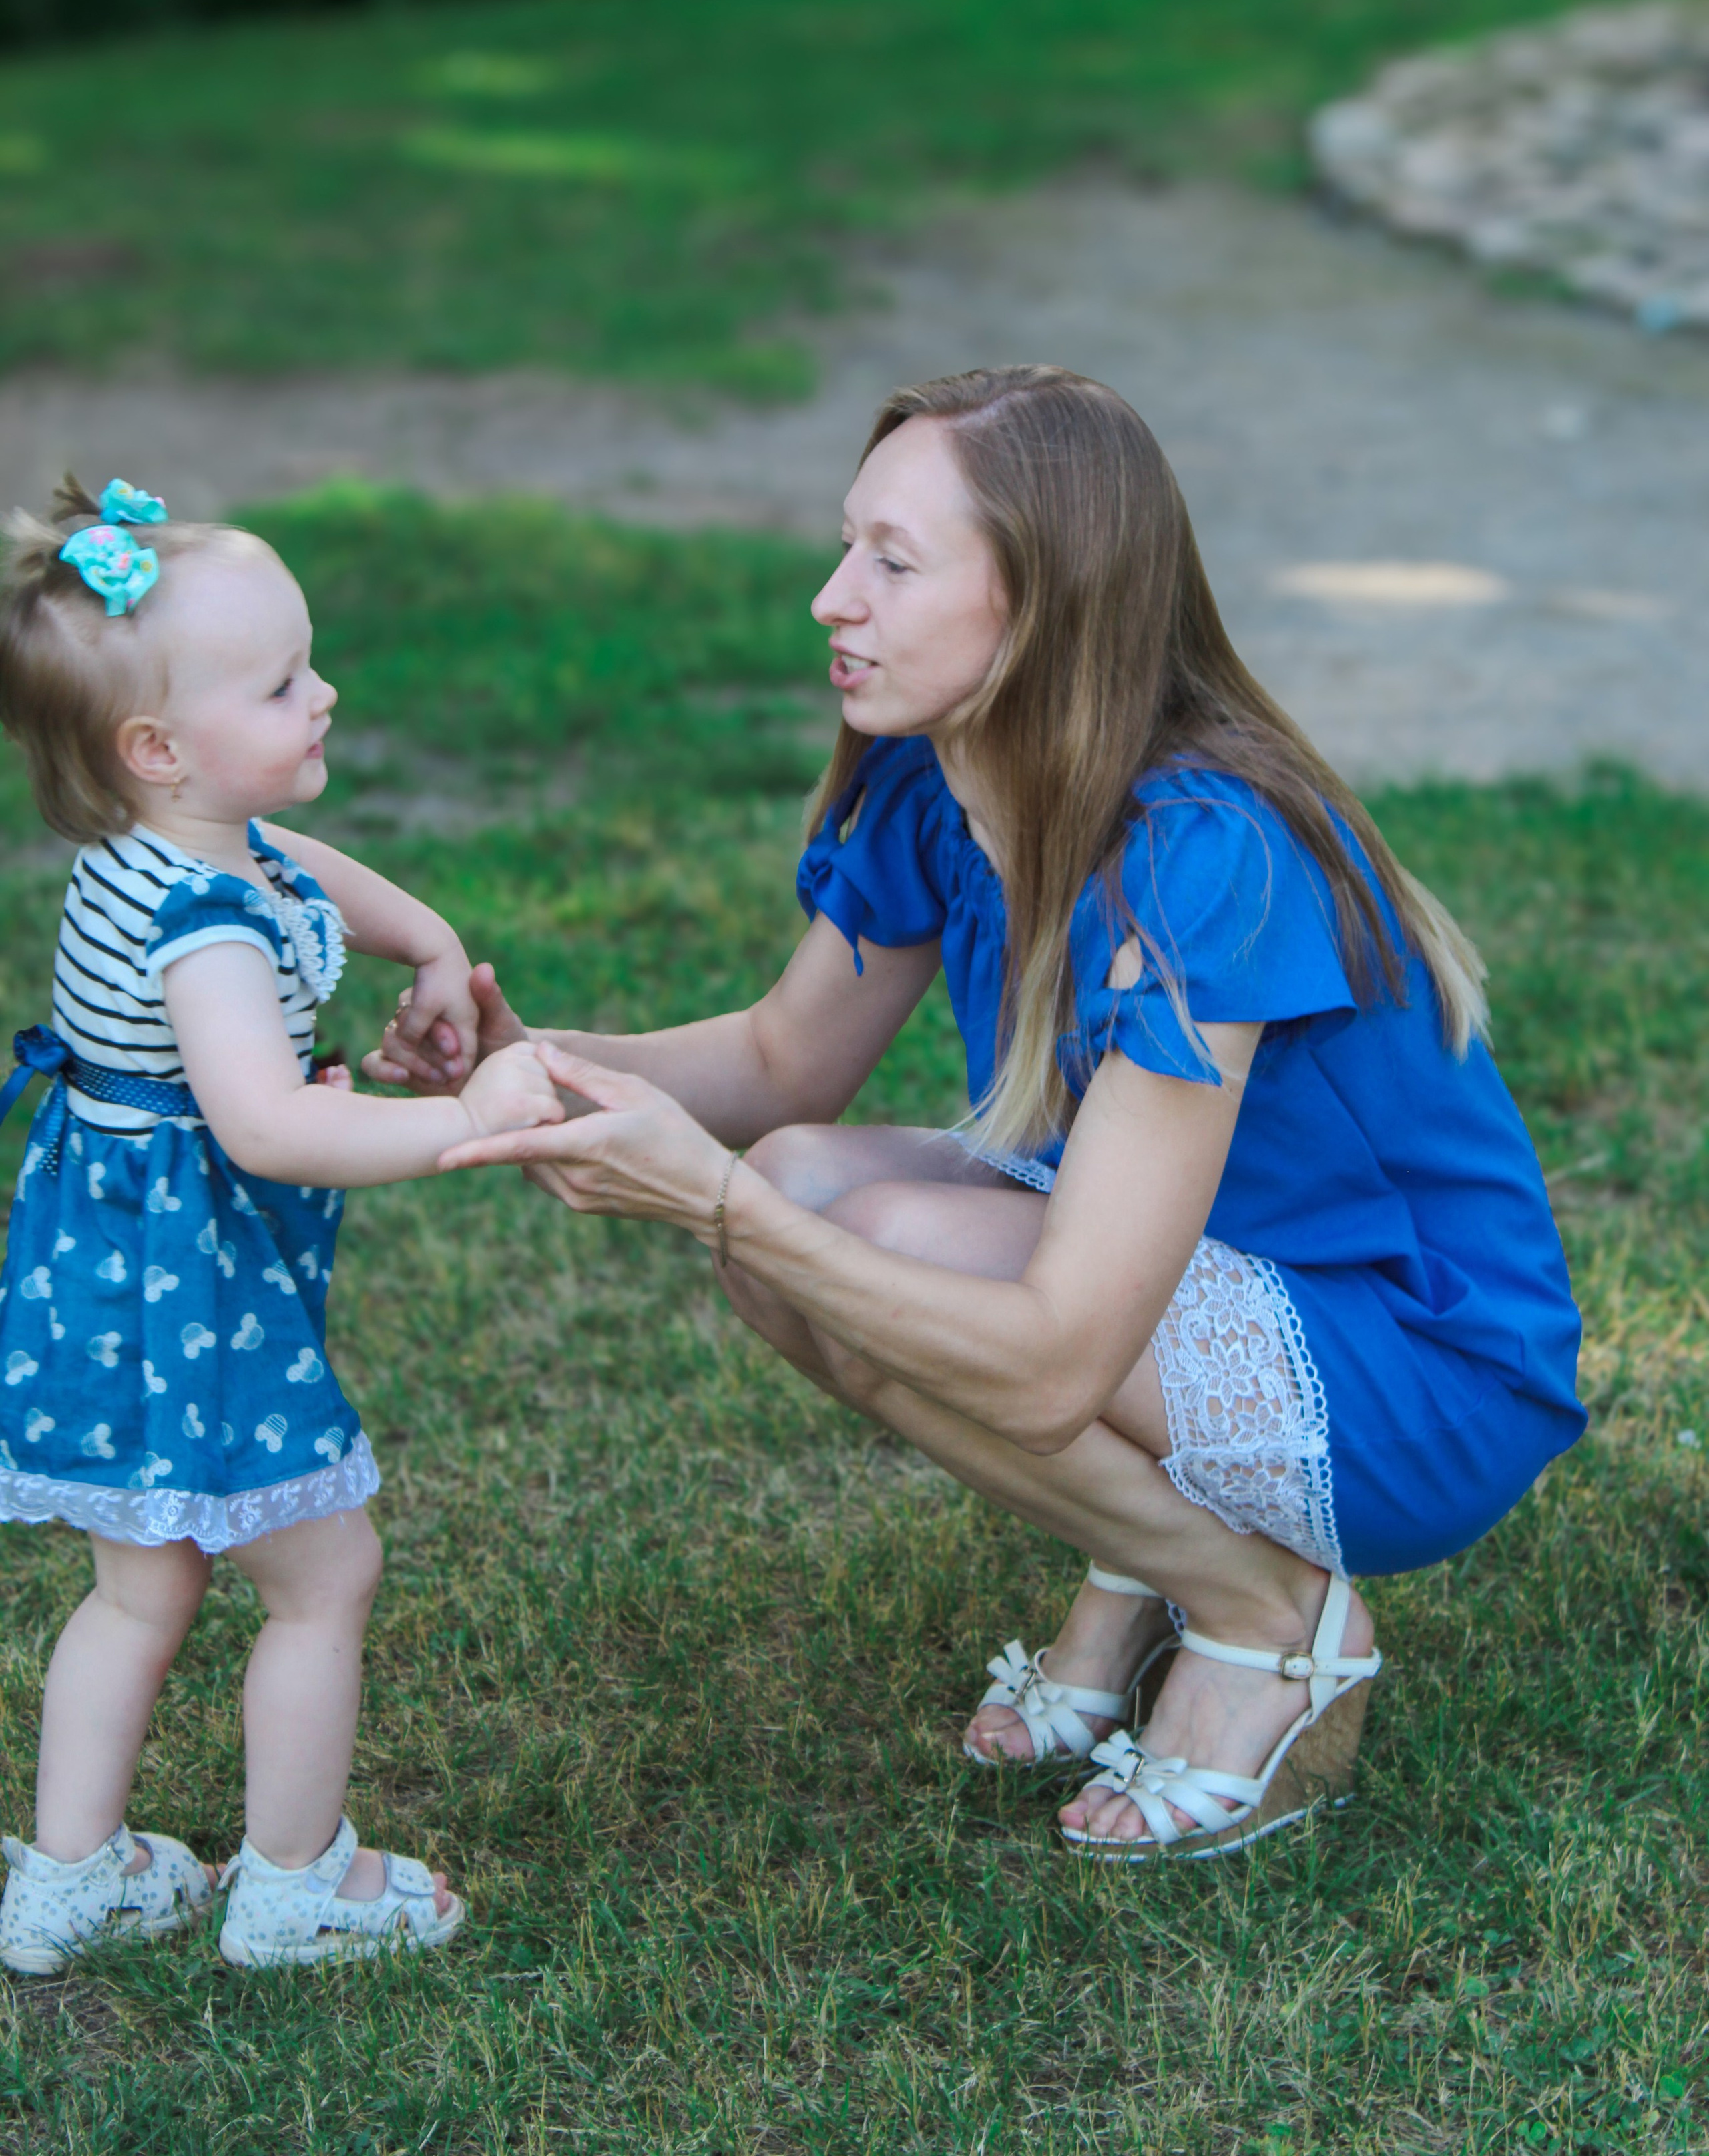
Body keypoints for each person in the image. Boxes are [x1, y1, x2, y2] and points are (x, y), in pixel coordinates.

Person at [380, 367, 1585, 1862]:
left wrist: (710, 1197)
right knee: (804, 1195)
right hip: (1192, 1277)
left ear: (1045, 603)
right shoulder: (930, 776)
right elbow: (777, 1066)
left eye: (891, 562)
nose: (831, 597)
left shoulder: (1200, 851)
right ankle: (1165, 1569)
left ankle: (1263, 1614)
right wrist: (525, 1062)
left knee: (842, 1229)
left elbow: (1051, 1364)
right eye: (845, 545)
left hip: (1415, 1378)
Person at [0, 479, 561, 1973]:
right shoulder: (204, 929)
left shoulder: (183, 848)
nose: (327, 693)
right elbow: (267, 1125)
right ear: (157, 746)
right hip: (192, 1290)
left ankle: (69, 1879)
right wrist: (467, 1120)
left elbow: (316, 878)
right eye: (282, 682)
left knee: (145, 1580)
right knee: (326, 1574)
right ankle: (299, 1882)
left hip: (116, 1276)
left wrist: (434, 943)